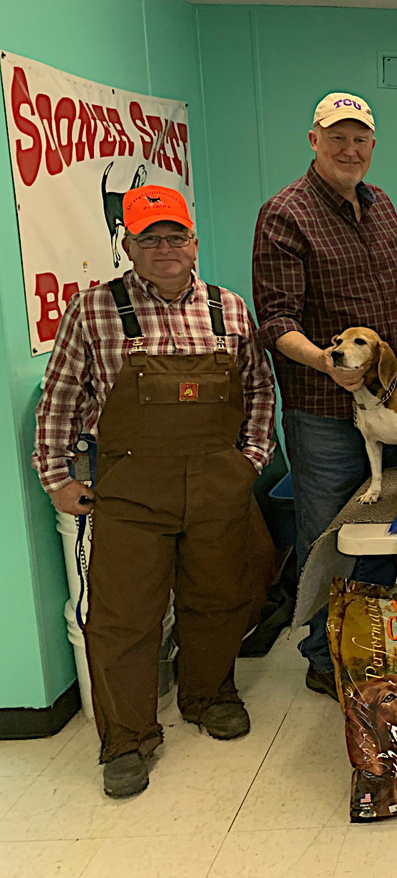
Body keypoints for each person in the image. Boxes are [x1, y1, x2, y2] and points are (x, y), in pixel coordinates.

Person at [33, 186, 276, 798]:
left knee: (219, 598)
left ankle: (208, 694)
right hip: (131, 489)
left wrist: (250, 460)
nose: (165, 248)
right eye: (150, 238)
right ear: (129, 245)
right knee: (122, 617)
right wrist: (56, 477)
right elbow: (60, 396)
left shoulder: (229, 309)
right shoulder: (93, 309)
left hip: (217, 483)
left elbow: (259, 393)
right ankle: (126, 739)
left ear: (194, 243)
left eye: (176, 236)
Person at [252, 92, 397, 699]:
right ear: (314, 140)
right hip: (327, 412)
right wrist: (327, 362)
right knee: (330, 531)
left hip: (393, 400)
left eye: (360, 138)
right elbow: (277, 320)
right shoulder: (284, 214)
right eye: (337, 137)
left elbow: (380, 296)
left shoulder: (380, 205)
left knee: (388, 525)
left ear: (372, 146)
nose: (349, 149)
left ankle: (378, 640)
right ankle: (324, 658)